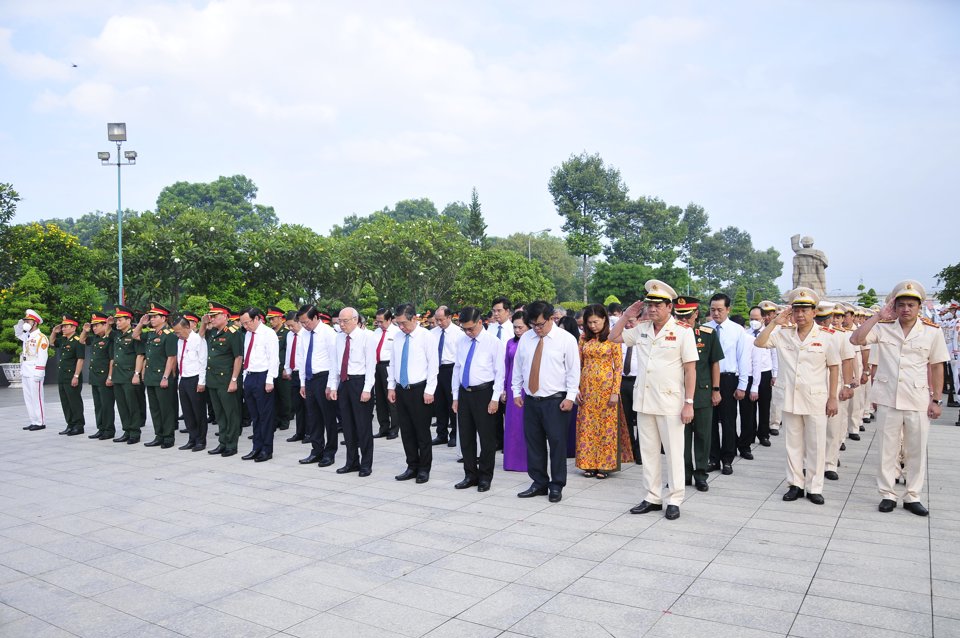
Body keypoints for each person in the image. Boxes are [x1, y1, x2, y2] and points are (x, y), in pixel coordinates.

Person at [850, 280, 949, 516]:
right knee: (887, 449)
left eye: (911, 305)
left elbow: (937, 366)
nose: (906, 309)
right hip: (887, 397)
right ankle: (887, 494)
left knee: (916, 450)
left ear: (919, 307)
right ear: (894, 307)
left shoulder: (932, 331)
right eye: (901, 305)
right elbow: (856, 339)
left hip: (917, 398)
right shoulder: (883, 327)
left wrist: (936, 399)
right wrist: (877, 316)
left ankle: (913, 495)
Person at [610, 281, 697, 520]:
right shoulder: (642, 328)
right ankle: (652, 496)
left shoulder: (682, 331)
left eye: (657, 305)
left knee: (674, 452)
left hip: (671, 402)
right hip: (645, 400)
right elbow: (613, 337)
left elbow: (690, 370)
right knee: (648, 452)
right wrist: (627, 314)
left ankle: (675, 499)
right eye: (649, 304)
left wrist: (689, 402)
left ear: (669, 307)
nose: (651, 309)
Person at [754, 288, 841, 505]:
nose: (800, 315)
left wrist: (833, 397)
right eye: (797, 310)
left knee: (816, 445)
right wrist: (775, 322)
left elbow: (834, 367)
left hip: (816, 399)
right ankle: (795, 484)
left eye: (805, 310)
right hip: (790, 398)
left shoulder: (827, 337)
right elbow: (760, 342)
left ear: (814, 312)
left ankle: (814, 487)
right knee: (793, 445)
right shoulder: (783, 333)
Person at [512, 300, 580, 503]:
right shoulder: (526, 338)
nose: (537, 329)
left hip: (556, 401)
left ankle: (557, 484)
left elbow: (573, 371)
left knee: (557, 444)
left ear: (551, 318)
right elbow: (519, 366)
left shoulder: (565, 339)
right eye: (533, 325)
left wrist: (570, 397)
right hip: (532, 399)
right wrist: (516, 391)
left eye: (540, 324)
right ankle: (539, 482)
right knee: (534, 443)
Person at [575, 304, 633, 479]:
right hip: (587, 389)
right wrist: (576, 388)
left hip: (607, 390)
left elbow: (618, 367)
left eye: (596, 322)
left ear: (604, 320)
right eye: (589, 322)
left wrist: (615, 391)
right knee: (587, 427)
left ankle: (605, 465)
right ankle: (588, 463)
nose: (593, 326)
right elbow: (578, 364)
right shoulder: (584, 338)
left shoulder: (612, 338)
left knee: (606, 428)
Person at [452, 306, 506, 491]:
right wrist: (455, 396)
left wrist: (495, 398)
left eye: (470, 328)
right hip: (464, 393)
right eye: (464, 329)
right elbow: (457, 368)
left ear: (480, 323)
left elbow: (500, 373)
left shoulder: (493, 342)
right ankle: (470, 474)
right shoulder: (462, 341)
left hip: (484, 393)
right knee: (466, 437)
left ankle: (485, 476)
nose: (468, 332)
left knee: (487, 438)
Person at [673, 297, 722, 492]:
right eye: (679, 315)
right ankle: (683, 475)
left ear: (695, 314)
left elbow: (714, 363)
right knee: (680, 437)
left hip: (702, 392)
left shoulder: (707, 334)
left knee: (703, 435)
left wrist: (716, 389)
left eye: (687, 316)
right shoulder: (670, 334)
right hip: (677, 393)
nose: (683, 320)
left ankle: (701, 474)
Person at [387, 303, 439, 484]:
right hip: (402, 389)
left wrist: (430, 390)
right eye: (398, 323)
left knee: (421, 432)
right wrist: (391, 387)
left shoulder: (427, 337)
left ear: (414, 319)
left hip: (420, 390)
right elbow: (393, 363)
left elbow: (433, 366)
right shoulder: (398, 337)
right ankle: (412, 465)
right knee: (407, 431)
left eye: (403, 323)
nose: (401, 327)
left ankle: (424, 468)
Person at [705, 293, 752, 474]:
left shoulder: (737, 330)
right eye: (712, 310)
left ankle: (727, 459)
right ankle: (713, 458)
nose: (716, 313)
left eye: (720, 310)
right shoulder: (704, 328)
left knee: (728, 421)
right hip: (708, 380)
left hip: (728, 379)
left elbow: (743, 359)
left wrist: (742, 385)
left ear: (728, 310)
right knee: (710, 422)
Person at [327, 307, 376, 477]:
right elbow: (334, 365)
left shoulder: (367, 337)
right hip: (344, 383)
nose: (341, 324)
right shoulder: (338, 339)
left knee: (363, 426)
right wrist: (333, 387)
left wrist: (367, 389)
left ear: (355, 320)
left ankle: (366, 464)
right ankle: (352, 461)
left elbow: (371, 365)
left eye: (345, 321)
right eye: (339, 321)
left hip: (360, 382)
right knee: (347, 426)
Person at [296, 304, 339, 466]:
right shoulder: (304, 334)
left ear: (315, 317)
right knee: (313, 417)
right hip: (309, 379)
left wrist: (331, 385)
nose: (304, 325)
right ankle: (316, 450)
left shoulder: (328, 333)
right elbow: (301, 359)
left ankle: (330, 452)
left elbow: (334, 361)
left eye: (306, 322)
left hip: (324, 378)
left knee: (328, 418)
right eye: (302, 323)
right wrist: (302, 383)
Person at [200, 302, 242, 457]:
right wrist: (204, 322)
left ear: (225, 316)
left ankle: (232, 444)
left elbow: (238, 357)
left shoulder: (233, 332)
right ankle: (222, 442)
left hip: (226, 379)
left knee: (230, 413)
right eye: (211, 316)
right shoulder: (213, 332)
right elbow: (201, 336)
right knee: (219, 413)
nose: (212, 319)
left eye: (215, 316)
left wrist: (234, 380)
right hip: (213, 379)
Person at [134, 303, 179, 448]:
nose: (152, 319)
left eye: (155, 317)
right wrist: (141, 323)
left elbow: (171, 358)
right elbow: (135, 335)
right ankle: (159, 435)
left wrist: (165, 377)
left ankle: (168, 437)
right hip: (150, 378)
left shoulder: (169, 335)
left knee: (165, 408)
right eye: (151, 317)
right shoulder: (151, 334)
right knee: (154, 408)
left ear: (164, 318)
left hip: (162, 378)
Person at [239, 307, 279, 462]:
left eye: (247, 322)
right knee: (254, 415)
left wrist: (270, 380)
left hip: (263, 377)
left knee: (265, 416)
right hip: (249, 376)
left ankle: (266, 450)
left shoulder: (268, 334)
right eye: (243, 324)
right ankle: (256, 447)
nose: (245, 326)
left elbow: (274, 359)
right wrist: (244, 378)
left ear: (257, 319)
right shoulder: (248, 334)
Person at [173, 315, 208, 451]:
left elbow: (202, 362)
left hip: (195, 379)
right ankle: (192, 438)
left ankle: (201, 440)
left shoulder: (198, 340)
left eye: (179, 332)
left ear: (187, 327)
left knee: (198, 412)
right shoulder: (180, 341)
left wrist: (201, 382)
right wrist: (180, 380)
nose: (177, 335)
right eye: (175, 332)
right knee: (187, 412)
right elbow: (181, 360)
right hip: (184, 379)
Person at [78, 313, 116, 440]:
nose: (94, 328)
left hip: (105, 377)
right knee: (98, 405)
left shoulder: (109, 339)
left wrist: (110, 377)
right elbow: (81, 340)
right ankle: (101, 428)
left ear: (105, 325)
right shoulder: (95, 338)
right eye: (93, 326)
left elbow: (112, 360)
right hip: (95, 377)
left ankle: (109, 430)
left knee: (107, 405)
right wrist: (85, 330)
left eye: (97, 325)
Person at [110, 306, 144, 444]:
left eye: (120, 320)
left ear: (129, 320)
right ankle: (126, 430)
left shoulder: (134, 335)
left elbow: (140, 355)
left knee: (132, 405)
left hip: (129, 376)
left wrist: (137, 374)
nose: (117, 323)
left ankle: (135, 433)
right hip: (118, 375)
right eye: (116, 320)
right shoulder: (117, 335)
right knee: (122, 405)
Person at [431, 306, 464, 446]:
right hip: (436, 369)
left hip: (451, 369)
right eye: (437, 320)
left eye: (441, 320)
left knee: (452, 402)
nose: (439, 323)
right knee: (439, 403)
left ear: (449, 317)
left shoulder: (459, 333)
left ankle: (454, 434)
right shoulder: (432, 333)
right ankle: (441, 433)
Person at [49, 315, 86, 436]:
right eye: (63, 326)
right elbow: (51, 342)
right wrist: (54, 332)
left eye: (66, 326)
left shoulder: (77, 341)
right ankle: (70, 424)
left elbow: (80, 360)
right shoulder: (64, 340)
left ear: (73, 328)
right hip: (62, 376)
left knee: (74, 401)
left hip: (72, 376)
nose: (63, 329)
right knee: (65, 401)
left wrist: (76, 376)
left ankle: (79, 425)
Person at [502, 310, 529, 472]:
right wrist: (504, 389)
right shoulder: (510, 343)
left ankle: (526, 461)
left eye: (521, 327)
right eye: (515, 327)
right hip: (513, 387)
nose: (517, 331)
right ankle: (511, 461)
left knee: (526, 425)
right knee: (512, 424)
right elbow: (506, 366)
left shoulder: (533, 342)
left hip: (528, 386)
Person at [746, 306, 774, 447]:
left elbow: (774, 355)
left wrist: (775, 374)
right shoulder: (746, 333)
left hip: (765, 372)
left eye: (756, 319)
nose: (753, 322)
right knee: (750, 407)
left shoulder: (769, 333)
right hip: (751, 373)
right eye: (751, 319)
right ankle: (749, 434)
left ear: (763, 318)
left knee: (764, 405)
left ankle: (763, 434)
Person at [372, 308, 401, 440]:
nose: (379, 324)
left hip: (389, 366)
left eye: (381, 321)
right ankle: (383, 427)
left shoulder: (396, 332)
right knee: (380, 399)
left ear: (389, 319)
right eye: (377, 321)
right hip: (376, 366)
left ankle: (394, 428)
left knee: (391, 398)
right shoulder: (376, 332)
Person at [18, 309, 49, 431]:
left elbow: (42, 356)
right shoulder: (27, 336)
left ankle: (40, 422)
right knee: (28, 397)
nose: (26, 322)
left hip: (35, 370)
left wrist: (39, 372)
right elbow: (17, 333)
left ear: (35, 323)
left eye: (28, 321)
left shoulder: (41, 337)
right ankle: (33, 421)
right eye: (25, 320)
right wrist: (21, 323)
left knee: (37, 397)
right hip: (25, 369)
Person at [619, 314, 643, 464]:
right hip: (623, 381)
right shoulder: (619, 338)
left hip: (639, 381)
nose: (628, 325)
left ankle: (640, 451)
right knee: (625, 418)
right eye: (626, 321)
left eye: (631, 321)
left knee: (640, 418)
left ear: (638, 321)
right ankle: (629, 450)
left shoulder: (644, 337)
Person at [282, 311, 307, 443]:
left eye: (292, 325)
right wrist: (287, 369)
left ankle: (309, 433)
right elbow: (288, 352)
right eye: (288, 326)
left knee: (307, 405)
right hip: (294, 373)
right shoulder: (290, 335)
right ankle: (300, 432)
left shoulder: (306, 334)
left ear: (298, 322)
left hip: (305, 374)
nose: (290, 328)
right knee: (297, 406)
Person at [267, 306, 292, 432]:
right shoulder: (269, 333)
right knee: (274, 395)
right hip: (272, 368)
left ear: (280, 319)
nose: (271, 321)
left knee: (284, 395)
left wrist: (286, 368)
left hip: (282, 368)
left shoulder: (287, 333)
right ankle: (275, 419)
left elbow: (288, 352)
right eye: (270, 319)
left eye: (273, 318)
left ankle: (285, 419)